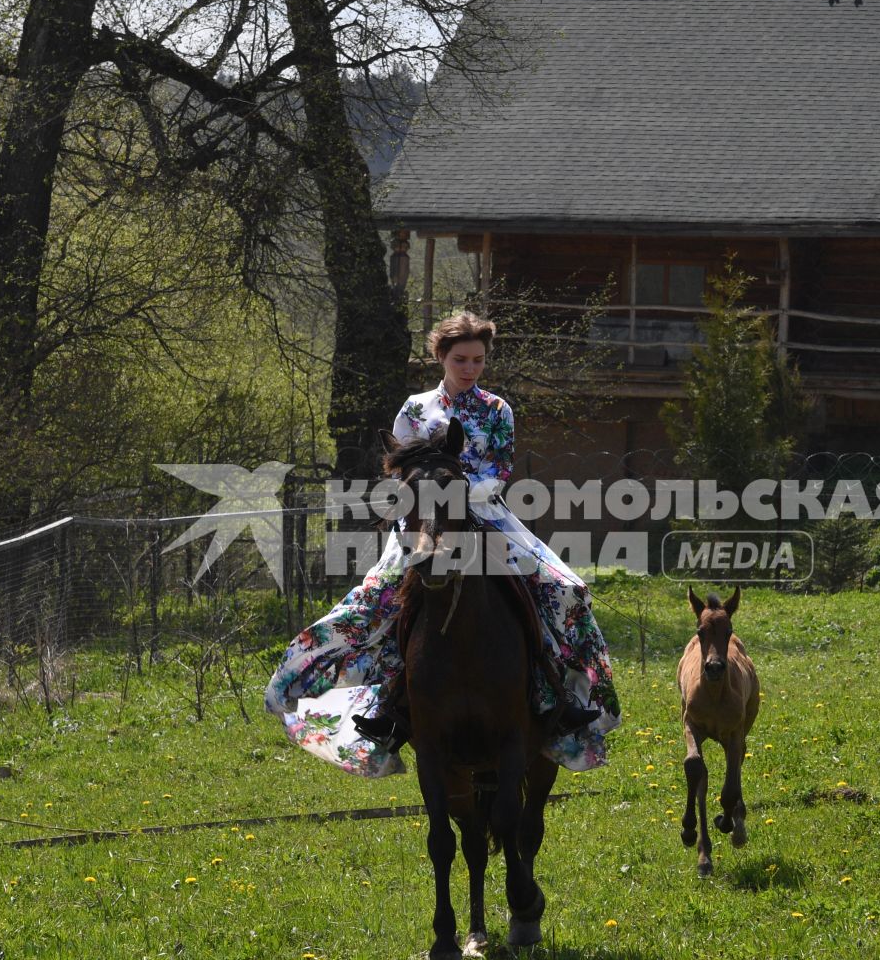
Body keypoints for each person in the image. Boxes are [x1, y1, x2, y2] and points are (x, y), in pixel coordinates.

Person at [264, 312, 618, 779]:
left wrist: (462, 494)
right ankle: (382, 704)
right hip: (419, 521)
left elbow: (501, 469)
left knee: (567, 590)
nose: (470, 368)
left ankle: (563, 697)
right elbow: (399, 470)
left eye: (478, 360)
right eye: (461, 359)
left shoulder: (497, 410)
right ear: (441, 357)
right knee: (375, 599)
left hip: (486, 515)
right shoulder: (413, 409)